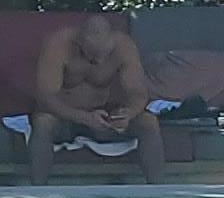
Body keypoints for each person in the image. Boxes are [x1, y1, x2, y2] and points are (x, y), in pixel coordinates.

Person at [28, 10, 165, 186]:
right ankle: (38, 191)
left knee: (148, 121)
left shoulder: (124, 47)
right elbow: (45, 97)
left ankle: (158, 189)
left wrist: (128, 114)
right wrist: (83, 117)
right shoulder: (58, 44)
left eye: (105, 56)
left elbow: (138, 93)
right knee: (42, 122)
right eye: (92, 56)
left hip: (106, 115)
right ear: (79, 42)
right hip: (66, 116)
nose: (99, 62)